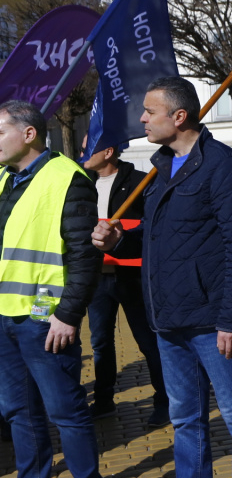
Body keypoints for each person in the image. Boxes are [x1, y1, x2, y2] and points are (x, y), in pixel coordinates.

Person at [92, 77, 232, 478]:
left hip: (213, 323)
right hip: (167, 321)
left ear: (180, 116)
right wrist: (121, 235)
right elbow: (161, 235)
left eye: (150, 111)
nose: (142, 119)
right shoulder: (158, 168)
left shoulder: (222, 167)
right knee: (185, 421)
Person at [0, 101, 105, 478]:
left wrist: (68, 314)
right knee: (18, 411)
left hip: (45, 318)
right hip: (4, 315)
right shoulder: (4, 178)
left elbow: (85, 256)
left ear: (28, 134)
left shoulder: (69, 179)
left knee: (66, 411)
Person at [81, 138, 168, 428]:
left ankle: (164, 402)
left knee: (148, 341)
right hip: (97, 278)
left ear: (108, 152)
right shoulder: (82, 185)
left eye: (88, 147)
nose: (83, 153)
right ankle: (103, 401)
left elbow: (152, 226)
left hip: (132, 277)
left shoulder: (140, 183)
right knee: (100, 343)